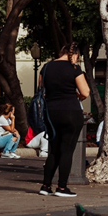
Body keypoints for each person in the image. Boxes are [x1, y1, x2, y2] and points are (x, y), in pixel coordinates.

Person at [38, 42, 91, 198]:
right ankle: (61, 187)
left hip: (51, 113)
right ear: (74, 55)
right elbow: (85, 91)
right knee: (66, 150)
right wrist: (76, 96)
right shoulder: (74, 69)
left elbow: (42, 89)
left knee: (53, 150)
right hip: (70, 112)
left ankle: (45, 185)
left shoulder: (46, 67)